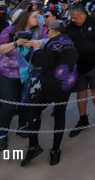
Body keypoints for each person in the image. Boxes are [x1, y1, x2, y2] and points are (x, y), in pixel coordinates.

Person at [20, 20, 78, 167]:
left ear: (53, 30)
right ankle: (55, 150)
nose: (46, 31)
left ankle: (33, 146)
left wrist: (38, 48)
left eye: (48, 29)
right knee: (60, 113)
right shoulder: (69, 40)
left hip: (51, 83)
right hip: (67, 82)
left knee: (34, 111)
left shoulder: (52, 44)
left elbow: (39, 62)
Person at [0, 8, 47, 150]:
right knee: (9, 105)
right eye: (35, 16)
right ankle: (2, 135)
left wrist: (39, 43)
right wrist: (16, 43)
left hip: (29, 75)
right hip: (8, 74)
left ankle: (22, 126)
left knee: (26, 103)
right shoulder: (10, 30)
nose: (38, 18)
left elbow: (48, 42)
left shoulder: (39, 31)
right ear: (25, 17)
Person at [65, 5, 95, 137]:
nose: (72, 20)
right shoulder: (69, 28)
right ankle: (82, 119)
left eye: (74, 17)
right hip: (78, 68)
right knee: (81, 93)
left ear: (83, 15)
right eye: (71, 18)